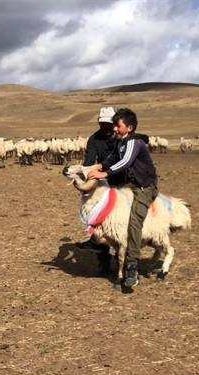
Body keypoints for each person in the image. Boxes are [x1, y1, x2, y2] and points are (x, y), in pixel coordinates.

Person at [87, 108, 158, 287]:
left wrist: (104, 174)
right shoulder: (120, 142)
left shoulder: (134, 142)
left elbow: (125, 162)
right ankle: (103, 248)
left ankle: (132, 266)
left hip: (143, 187)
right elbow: (112, 158)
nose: (115, 129)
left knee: (133, 221)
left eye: (118, 126)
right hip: (127, 185)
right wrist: (99, 166)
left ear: (130, 128)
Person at [74, 107, 118, 276]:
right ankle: (103, 261)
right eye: (102, 124)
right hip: (103, 180)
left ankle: (126, 260)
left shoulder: (121, 138)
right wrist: (84, 176)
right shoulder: (94, 139)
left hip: (122, 179)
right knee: (97, 217)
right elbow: (89, 161)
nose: (105, 127)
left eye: (108, 124)